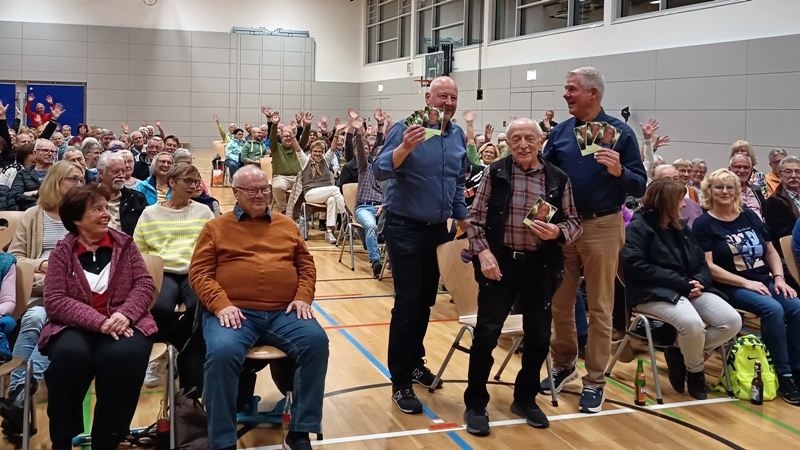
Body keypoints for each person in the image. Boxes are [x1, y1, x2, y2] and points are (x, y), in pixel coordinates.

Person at [189, 165, 327, 450]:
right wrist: (221, 305)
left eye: (264, 189)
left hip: (283, 312)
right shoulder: (215, 227)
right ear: (236, 192)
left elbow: (306, 266)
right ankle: (222, 441)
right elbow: (199, 274)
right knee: (222, 354)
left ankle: (300, 432)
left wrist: (303, 297)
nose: (260, 195)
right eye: (252, 190)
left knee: (316, 343)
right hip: (235, 313)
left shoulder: (286, 225)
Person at [462, 118, 581, 436]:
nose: (523, 144)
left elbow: (574, 223)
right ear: (508, 143)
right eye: (516, 138)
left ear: (541, 142)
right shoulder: (495, 171)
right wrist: (483, 253)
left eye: (529, 138)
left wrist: (557, 231)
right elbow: (474, 219)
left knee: (540, 337)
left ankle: (525, 399)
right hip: (500, 264)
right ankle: (476, 403)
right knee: (486, 336)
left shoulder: (557, 178)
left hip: (540, 267)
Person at [541, 67, 647, 413]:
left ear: (593, 94)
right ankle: (563, 364)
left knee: (600, 307)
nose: (566, 94)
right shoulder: (560, 132)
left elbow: (640, 185)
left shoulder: (621, 133)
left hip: (602, 225)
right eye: (566, 89)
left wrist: (620, 171)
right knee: (560, 303)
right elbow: (546, 178)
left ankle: (596, 379)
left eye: (572, 89)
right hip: (564, 226)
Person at [373, 76, 468, 414]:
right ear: (428, 98)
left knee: (426, 302)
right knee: (408, 304)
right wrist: (404, 149)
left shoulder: (458, 135)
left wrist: (463, 218)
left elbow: (458, 181)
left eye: (453, 97)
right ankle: (400, 382)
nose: (448, 103)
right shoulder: (405, 128)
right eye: (442, 96)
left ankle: (415, 362)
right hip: (404, 228)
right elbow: (380, 171)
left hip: (438, 231)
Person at [40, 185, 156, 450]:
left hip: (125, 323)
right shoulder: (61, 253)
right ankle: (62, 439)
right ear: (77, 219)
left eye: (106, 208)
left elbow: (144, 284)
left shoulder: (125, 245)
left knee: (121, 358)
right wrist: (100, 322)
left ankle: (108, 440)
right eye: (97, 209)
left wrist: (125, 314)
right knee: (69, 358)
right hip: (74, 326)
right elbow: (55, 300)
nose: (107, 214)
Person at [622, 178, 741, 400]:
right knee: (692, 324)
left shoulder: (681, 228)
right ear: (666, 202)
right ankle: (695, 372)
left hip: (687, 289)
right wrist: (681, 284)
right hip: (651, 292)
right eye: (680, 200)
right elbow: (636, 267)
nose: (685, 204)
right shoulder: (638, 229)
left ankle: (678, 351)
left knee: (732, 321)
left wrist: (699, 281)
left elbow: (701, 263)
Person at [693, 168, 800, 405]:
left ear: (737, 191)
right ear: (709, 191)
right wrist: (745, 282)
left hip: (763, 281)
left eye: (730, 187)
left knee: (796, 307)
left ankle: (797, 370)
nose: (725, 191)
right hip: (730, 286)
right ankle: (784, 375)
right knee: (773, 309)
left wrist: (779, 278)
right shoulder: (703, 223)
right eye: (719, 187)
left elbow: (771, 251)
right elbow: (708, 266)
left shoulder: (749, 216)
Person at [0, 161, 85, 434]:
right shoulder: (33, 215)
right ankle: (20, 397)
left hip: (73, 293)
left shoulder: (85, 214)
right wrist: (43, 265)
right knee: (34, 319)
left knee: (52, 326)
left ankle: (18, 399)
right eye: (73, 179)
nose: (80, 185)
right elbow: (16, 257)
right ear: (56, 182)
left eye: (82, 179)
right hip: (39, 288)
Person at [134, 163, 214, 386]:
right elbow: (139, 250)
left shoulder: (204, 211)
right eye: (188, 181)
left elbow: (214, 245)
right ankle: (162, 353)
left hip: (194, 271)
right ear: (172, 182)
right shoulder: (150, 213)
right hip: (162, 271)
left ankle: (184, 352)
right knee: (159, 308)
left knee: (200, 306)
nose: (194, 186)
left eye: (196, 182)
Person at [286, 139, 344, 244]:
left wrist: (336, 135)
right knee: (335, 189)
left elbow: (333, 148)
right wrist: (292, 136)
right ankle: (344, 214)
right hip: (310, 194)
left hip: (325, 194)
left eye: (320, 151)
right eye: (315, 151)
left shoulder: (326, 161)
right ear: (310, 152)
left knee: (332, 199)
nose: (317, 153)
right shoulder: (305, 161)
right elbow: (298, 150)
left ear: (323, 152)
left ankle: (329, 232)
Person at [351, 116, 385, 276]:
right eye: (377, 156)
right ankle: (375, 262)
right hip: (364, 208)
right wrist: (359, 132)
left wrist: (384, 205)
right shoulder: (365, 168)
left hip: (383, 209)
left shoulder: (389, 175)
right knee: (371, 226)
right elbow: (361, 151)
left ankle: (394, 263)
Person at [96, 153, 147, 236]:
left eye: (123, 171)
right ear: (101, 173)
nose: (121, 175)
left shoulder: (136, 198)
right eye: (116, 172)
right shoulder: (87, 198)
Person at [270, 111, 311, 214]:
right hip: (281, 177)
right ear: (281, 139)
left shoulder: (297, 148)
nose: (288, 138)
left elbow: (304, 139)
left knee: (310, 185)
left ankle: (302, 211)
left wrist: (307, 126)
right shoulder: (276, 148)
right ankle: (283, 209)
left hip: (298, 177)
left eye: (290, 136)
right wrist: (274, 124)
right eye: (285, 136)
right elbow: (272, 138)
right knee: (277, 187)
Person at [764, 156, 800, 255]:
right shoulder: (774, 201)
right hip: (790, 252)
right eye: (788, 172)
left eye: (797, 172)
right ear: (780, 175)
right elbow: (782, 234)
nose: (794, 176)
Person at [12, 139, 56, 211]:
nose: (50, 154)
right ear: (35, 153)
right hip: (29, 211)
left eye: (52, 151)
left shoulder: (60, 172)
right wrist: (41, 204)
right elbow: (16, 196)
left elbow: (62, 195)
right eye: (45, 150)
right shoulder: (23, 173)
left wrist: (34, 193)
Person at [729, 153, 766, 221]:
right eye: (738, 167)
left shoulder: (756, 190)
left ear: (751, 170)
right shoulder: (725, 192)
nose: (742, 171)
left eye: (746, 167)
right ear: (730, 169)